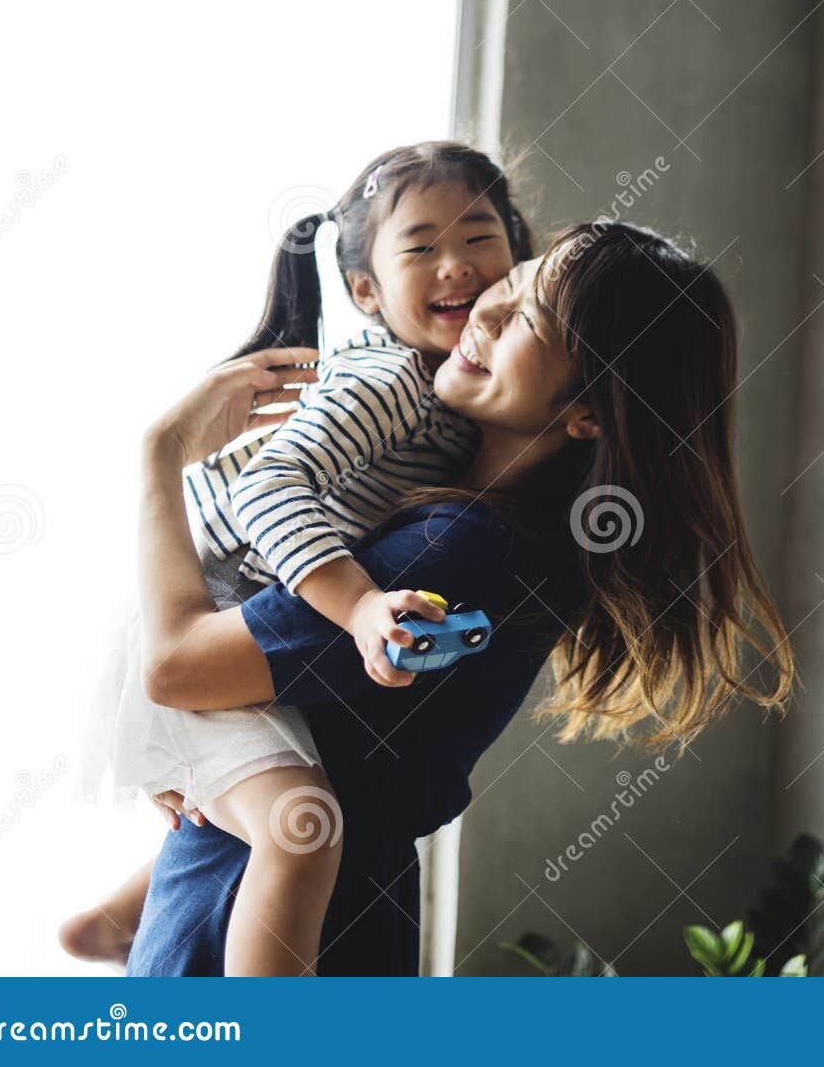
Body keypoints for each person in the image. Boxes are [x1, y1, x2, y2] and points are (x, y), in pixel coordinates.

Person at [121, 223, 794, 974]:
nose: (485, 314)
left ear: (591, 414)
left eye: (528, 320)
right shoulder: (511, 539)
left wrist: (159, 456)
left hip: (249, 932)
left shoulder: (462, 548)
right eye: (507, 287)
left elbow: (177, 667)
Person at [62, 142, 531, 974]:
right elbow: (270, 485)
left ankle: (111, 922)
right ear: (366, 291)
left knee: (276, 798)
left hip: (233, 608)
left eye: (480, 238)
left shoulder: (460, 409)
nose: (456, 265)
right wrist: (357, 607)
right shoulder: (392, 382)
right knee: (300, 832)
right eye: (420, 247)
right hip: (206, 600)